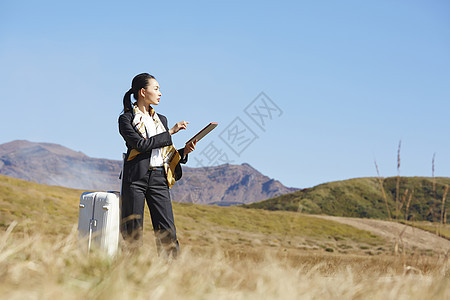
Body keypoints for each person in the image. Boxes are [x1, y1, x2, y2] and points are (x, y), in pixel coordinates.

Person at [119, 73, 197, 257]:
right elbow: (141, 145)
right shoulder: (126, 119)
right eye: (156, 89)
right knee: (133, 230)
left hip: (158, 178)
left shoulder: (161, 119)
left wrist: (184, 151)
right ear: (143, 92)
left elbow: (162, 151)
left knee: (167, 230)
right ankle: (130, 271)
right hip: (135, 179)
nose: (160, 93)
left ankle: (170, 273)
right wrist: (170, 132)